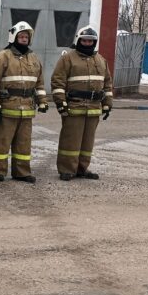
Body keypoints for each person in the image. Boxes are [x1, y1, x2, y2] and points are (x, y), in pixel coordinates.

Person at [0, 21, 49, 183]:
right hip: (7, 108)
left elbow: (39, 83)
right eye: (21, 36)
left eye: (26, 36)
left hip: (27, 109)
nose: (24, 39)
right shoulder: (1, 57)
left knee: (23, 143)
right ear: (13, 37)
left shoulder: (34, 59)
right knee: (2, 142)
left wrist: (42, 100)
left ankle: (22, 172)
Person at [51, 26, 113, 181]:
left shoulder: (101, 60)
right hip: (74, 107)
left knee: (87, 142)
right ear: (78, 40)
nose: (87, 43)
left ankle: (82, 168)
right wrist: (60, 103)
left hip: (93, 108)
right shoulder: (67, 58)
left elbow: (107, 84)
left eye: (90, 41)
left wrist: (107, 103)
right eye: (84, 40)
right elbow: (58, 82)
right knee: (70, 141)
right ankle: (67, 169)